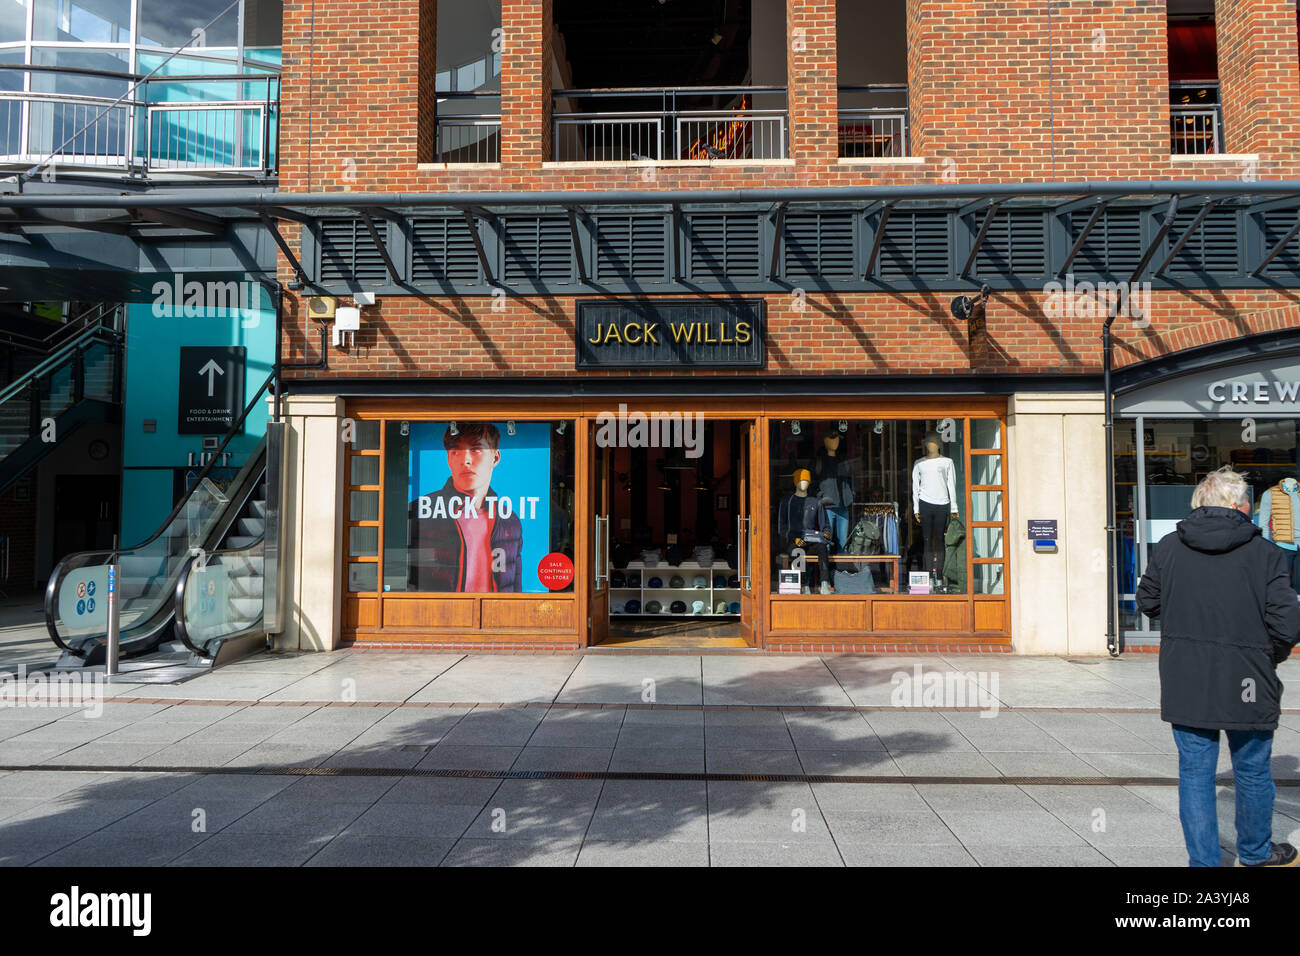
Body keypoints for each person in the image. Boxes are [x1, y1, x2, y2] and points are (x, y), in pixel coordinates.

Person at [1137, 465, 1300, 867]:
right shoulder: (1265, 552)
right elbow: (1287, 622)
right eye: (1247, 499)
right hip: (1249, 675)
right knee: (1252, 771)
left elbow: (1147, 602)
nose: (1249, 505)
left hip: (1187, 674)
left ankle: (1205, 862)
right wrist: (1268, 655)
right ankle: (1256, 852)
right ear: (1234, 504)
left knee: (1195, 773)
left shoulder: (1171, 545)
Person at [408, 423, 522, 592]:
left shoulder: (509, 519)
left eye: (476, 449)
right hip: (440, 614)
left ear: (495, 458)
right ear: (448, 459)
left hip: (496, 614)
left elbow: (514, 584)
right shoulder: (421, 509)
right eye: (455, 451)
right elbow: (408, 575)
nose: (465, 460)